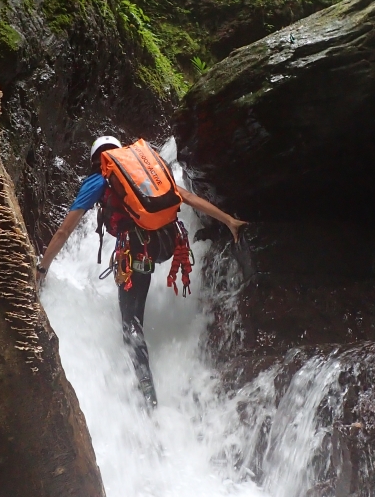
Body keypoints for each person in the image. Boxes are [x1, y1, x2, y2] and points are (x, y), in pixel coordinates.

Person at [37, 136, 246, 409]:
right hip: (167, 243)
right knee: (135, 304)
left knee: (131, 323)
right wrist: (229, 221)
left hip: (137, 252)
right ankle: (147, 394)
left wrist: (42, 268)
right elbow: (189, 197)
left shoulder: (100, 178)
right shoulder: (146, 174)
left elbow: (65, 231)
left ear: (96, 159)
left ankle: (148, 399)